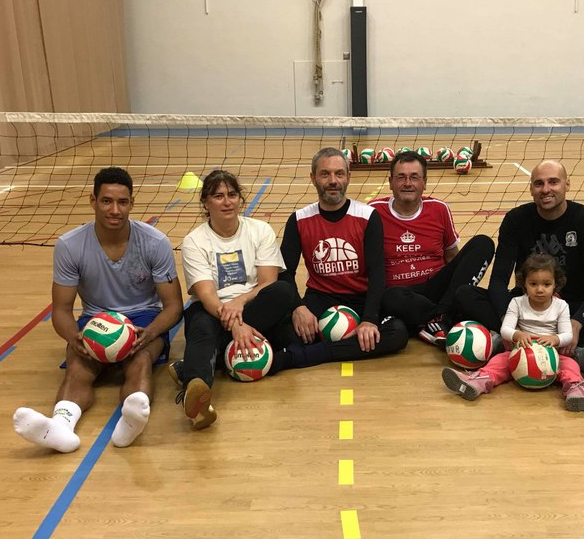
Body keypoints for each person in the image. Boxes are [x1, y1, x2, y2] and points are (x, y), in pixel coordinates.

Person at [13, 167, 182, 452]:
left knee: (140, 361)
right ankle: (61, 427)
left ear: (132, 203)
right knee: (78, 365)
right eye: (106, 201)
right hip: (96, 320)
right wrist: (73, 338)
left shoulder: (155, 243)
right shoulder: (70, 245)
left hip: (143, 317)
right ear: (93, 200)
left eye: (122, 202)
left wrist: (150, 333)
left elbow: (174, 306)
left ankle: (130, 423)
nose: (114, 210)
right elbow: (62, 310)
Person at [459, 159, 584, 363]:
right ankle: (561, 344)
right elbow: (497, 281)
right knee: (464, 294)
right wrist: (509, 321)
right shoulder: (516, 220)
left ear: (567, 185)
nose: (546, 189)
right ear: (531, 189)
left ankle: (551, 338)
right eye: (539, 183)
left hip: (571, 308)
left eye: (553, 182)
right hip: (526, 306)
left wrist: (576, 323)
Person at [170, 169, 301, 430]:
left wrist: (240, 304)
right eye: (218, 196)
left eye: (232, 194)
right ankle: (196, 397)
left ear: (240, 199)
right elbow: (206, 295)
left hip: (254, 306)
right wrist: (235, 324)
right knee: (202, 326)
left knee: (284, 293)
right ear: (206, 203)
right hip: (212, 310)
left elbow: (267, 282)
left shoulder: (260, 230)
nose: (227, 201)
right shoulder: (194, 241)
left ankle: (198, 363)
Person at [279, 147, 408, 361]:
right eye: (325, 174)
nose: (333, 180)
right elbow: (285, 273)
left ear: (348, 177)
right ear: (313, 178)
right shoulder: (299, 220)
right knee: (287, 333)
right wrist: (298, 308)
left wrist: (369, 319)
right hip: (320, 298)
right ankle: (344, 346)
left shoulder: (368, 216)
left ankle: (306, 356)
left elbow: (377, 273)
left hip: (361, 298)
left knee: (398, 332)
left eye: (339, 173)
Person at [442, 254, 584, 412]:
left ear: (556, 284)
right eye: (533, 284)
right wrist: (517, 335)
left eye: (546, 284)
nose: (540, 289)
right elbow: (505, 329)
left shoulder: (561, 306)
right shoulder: (517, 303)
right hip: (519, 351)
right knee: (499, 361)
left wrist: (555, 339)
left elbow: (568, 335)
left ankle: (577, 391)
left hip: (551, 354)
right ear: (524, 283)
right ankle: (478, 381)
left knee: (570, 365)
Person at [371, 150, 495, 346]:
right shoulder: (374, 212)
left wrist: (457, 287)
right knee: (390, 297)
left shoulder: (439, 209)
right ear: (390, 182)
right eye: (401, 177)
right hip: (401, 294)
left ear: (425, 182)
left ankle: (437, 317)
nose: (408, 183)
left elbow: (452, 257)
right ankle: (445, 317)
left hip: (436, 287)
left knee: (483, 243)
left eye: (414, 177)